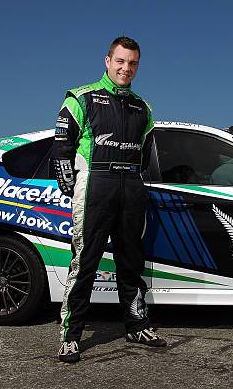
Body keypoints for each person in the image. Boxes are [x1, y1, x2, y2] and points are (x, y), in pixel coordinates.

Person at [52, 36, 166, 363]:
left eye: (132, 63)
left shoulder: (144, 108)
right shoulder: (80, 97)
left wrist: (136, 183)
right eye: (120, 61)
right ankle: (71, 336)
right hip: (95, 184)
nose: (125, 68)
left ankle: (137, 325)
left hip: (130, 185)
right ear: (107, 60)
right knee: (85, 261)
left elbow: (145, 155)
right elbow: (62, 147)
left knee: (131, 261)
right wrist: (70, 184)